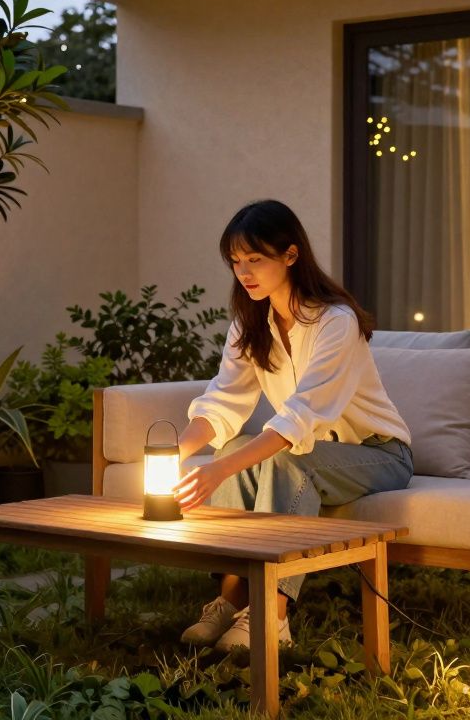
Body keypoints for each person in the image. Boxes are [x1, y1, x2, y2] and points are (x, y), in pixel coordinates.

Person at [172, 199, 414, 652]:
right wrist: (175, 453)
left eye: (255, 259)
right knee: (232, 452)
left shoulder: (335, 322)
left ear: (290, 255)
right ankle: (231, 599)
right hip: (312, 450)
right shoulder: (250, 323)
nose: (244, 272)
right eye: (236, 261)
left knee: (285, 463)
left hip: (379, 454)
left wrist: (217, 472)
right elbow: (223, 400)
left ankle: (274, 614)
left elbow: (301, 415)